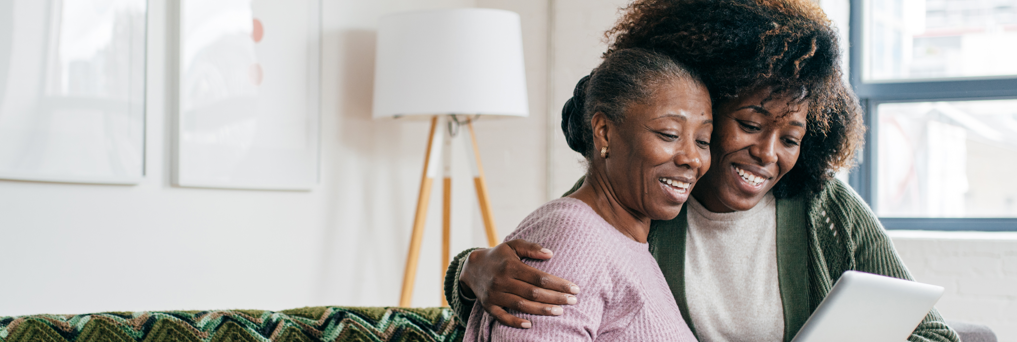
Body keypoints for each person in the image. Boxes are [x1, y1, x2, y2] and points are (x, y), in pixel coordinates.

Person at [443, 1, 961, 341]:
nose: (767, 153)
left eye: (791, 138)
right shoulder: (650, 196)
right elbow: (565, 248)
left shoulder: (825, 208)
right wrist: (471, 270)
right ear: (709, 104)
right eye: (750, 124)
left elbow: (934, 333)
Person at [464, 48, 710, 341]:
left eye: (703, 140)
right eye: (670, 134)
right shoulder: (573, 237)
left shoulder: (626, 242)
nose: (693, 159)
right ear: (604, 132)